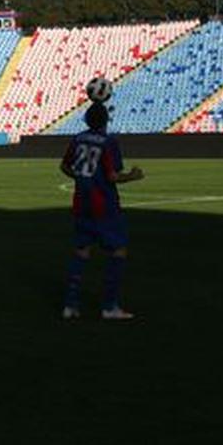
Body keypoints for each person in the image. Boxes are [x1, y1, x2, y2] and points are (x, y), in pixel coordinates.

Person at [59, 102, 144, 320]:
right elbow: (113, 176)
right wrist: (133, 176)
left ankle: (70, 305)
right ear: (106, 121)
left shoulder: (78, 138)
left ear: (86, 120)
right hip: (104, 204)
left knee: (81, 251)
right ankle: (109, 306)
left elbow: (64, 166)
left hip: (81, 202)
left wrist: (80, 178)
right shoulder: (108, 142)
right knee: (118, 251)